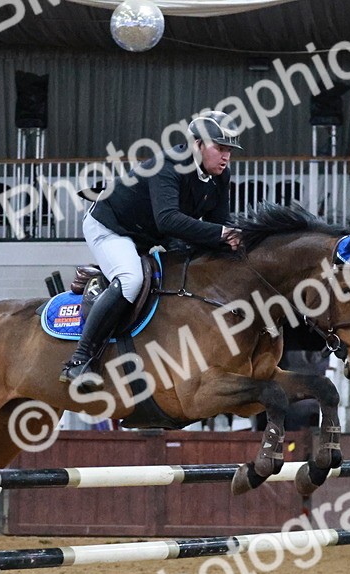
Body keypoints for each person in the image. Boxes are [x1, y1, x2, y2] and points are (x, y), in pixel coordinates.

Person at [59, 110, 245, 384]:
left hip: (151, 234)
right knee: (131, 279)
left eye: (229, 149)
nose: (226, 156)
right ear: (197, 144)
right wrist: (222, 233)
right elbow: (168, 219)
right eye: (219, 148)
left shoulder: (220, 175)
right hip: (111, 226)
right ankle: (79, 359)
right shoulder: (168, 165)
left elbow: (219, 224)